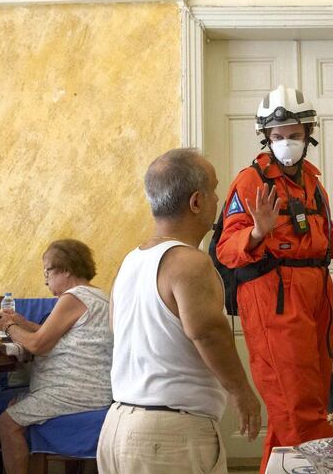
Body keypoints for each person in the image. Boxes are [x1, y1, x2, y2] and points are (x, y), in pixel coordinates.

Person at [215, 85, 333, 472]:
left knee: (302, 405)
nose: (286, 142)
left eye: (294, 134)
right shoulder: (250, 182)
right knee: (299, 411)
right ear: (265, 138)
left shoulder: (313, 183)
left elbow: (319, 245)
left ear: (309, 133)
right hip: (274, 300)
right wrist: (257, 233)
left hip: (316, 300)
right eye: (278, 136)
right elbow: (227, 249)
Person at [97, 148, 260, 474]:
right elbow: (207, 332)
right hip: (168, 437)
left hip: (118, 427)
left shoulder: (131, 261)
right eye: (214, 190)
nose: (219, 200)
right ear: (196, 202)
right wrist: (242, 393)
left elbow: (117, 328)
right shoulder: (189, 262)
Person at [0, 239, 112, 474]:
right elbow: (54, 336)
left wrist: (8, 328)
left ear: (66, 269)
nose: (45, 279)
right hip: (92, 389)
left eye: (47, 271)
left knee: (10, 423)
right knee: (14, 405)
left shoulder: (74, 297)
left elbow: (38, 345)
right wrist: (22, 323)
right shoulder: (98, 296)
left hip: (75, 392)